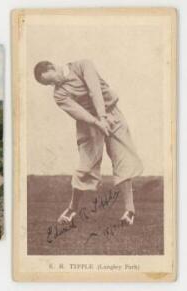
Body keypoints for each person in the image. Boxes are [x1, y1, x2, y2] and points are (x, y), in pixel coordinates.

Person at [33, 59, 143, 225]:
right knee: (85, 167)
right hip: (89, 124)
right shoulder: (58, 94)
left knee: (123, 160)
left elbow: (95, 91)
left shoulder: (83, 65)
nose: (52, 85)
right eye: (48, 84)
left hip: (111, 114)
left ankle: (130, 211)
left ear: (53, 67)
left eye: (50, 80)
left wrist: (104, 117)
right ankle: (72, 209)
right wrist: (98, 122)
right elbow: (79, 112)